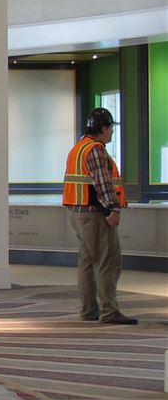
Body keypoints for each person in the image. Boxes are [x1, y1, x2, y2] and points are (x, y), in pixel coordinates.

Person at [62, 107, 136, 325]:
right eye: (111, 128)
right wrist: (113, 209)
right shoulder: (95, 150)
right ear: (103, 129)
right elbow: (102, 184)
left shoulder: (78, 148)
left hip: (77, 213)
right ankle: (109, 311)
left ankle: (88, 310)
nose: (112, 132)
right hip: (94, 214)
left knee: (86, 263)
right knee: (107, 262)